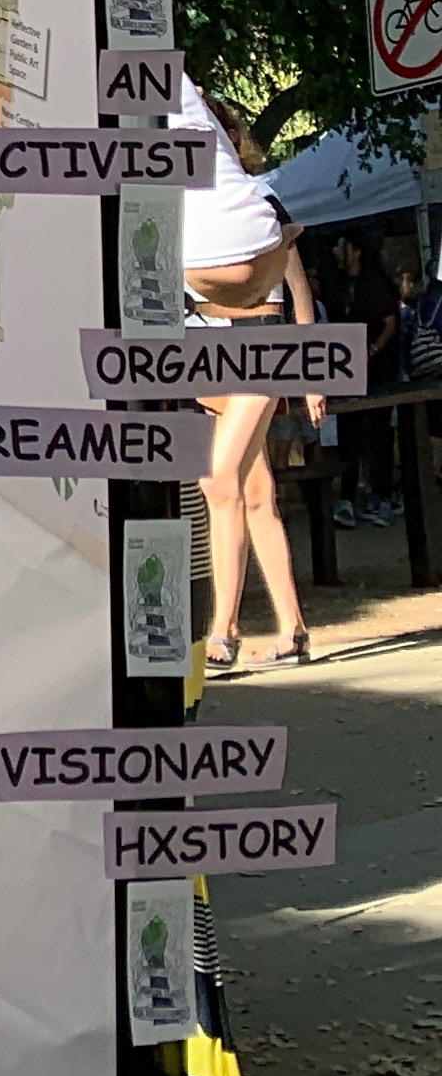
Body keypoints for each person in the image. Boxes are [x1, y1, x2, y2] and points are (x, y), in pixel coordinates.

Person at [185, 92, 325, 671]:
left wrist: (312, 374)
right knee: (254, 492)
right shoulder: (190, 207)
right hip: (207, 348)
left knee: (220, 483)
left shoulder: (257, 201)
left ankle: (223, 629)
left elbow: (299, 293)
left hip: (260, 345)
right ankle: (293, 629)